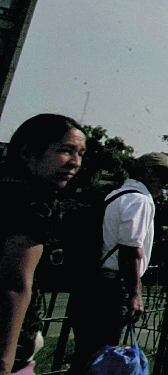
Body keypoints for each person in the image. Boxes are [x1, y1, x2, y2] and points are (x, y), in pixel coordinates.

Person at [67, 151, 168, 374]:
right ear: (147, 173)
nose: (166, 183)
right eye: (163, 176)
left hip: (90, 283)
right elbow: (130, 249)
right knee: (102, 361)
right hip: (110, 289)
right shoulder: (139, 200)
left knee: (86, 358)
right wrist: (134, 294)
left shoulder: (115, 195)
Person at [2, 114, 85, 375]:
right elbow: (14, 285)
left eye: (80, 153)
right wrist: (6, 359)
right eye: (65, 150)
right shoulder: (33, 205)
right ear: (28, 153)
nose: (75, 163)